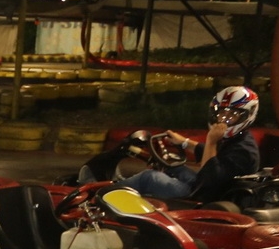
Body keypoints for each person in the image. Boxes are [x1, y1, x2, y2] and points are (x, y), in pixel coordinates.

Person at [108, 85, 261, 203]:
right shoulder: (238, 139)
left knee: (149, 178)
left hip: (205, 196)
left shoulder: (244, 151)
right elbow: (214, 157)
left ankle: (103, 196)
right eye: (222, 113)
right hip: (209, 187)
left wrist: (211, 140)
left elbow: (209, 176)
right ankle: (122, 190)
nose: (223, 119)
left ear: (247, 115)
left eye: (232, 115)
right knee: (172, 164)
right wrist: (184, 143)